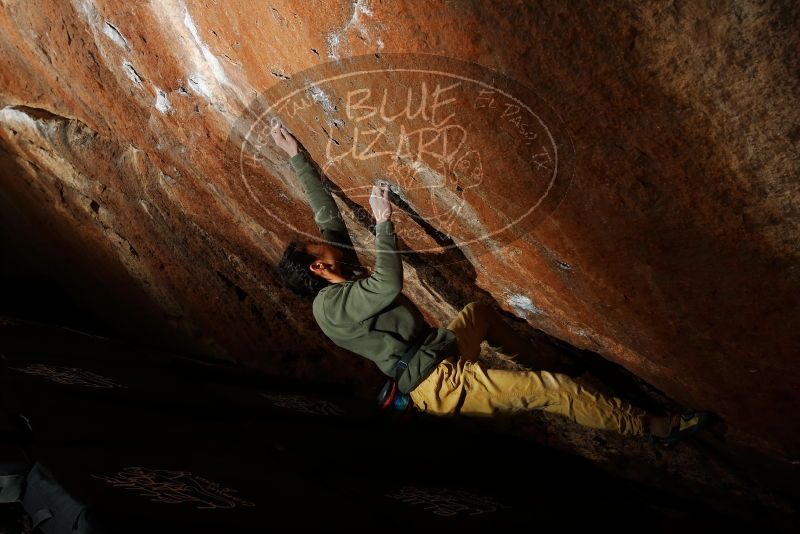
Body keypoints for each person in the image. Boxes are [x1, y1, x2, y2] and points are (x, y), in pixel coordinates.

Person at [270, 121, 708, 445]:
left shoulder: (335, 268)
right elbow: (386, 285)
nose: (325, 245)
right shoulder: (329, 308)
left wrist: (296, 157)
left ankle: (556, 367)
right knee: (551, 394)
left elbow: (325, 215)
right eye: (318, 251)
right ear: (317, 270)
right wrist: (384, 221)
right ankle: (659, 427)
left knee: (478, 315)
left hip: (439, 348)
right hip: (437, 384)